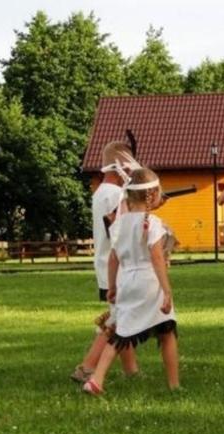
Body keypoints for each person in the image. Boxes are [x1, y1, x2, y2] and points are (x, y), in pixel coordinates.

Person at [83, 168, 179, 394]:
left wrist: (113, 286)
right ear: (153, 195)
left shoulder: (118, 224)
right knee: (167, 331)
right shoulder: (153, 223)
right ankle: (174, 385)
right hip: (148, 282)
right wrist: (166, 291)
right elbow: (156, 258)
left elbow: (113, 259)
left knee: (120, 333)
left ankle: (96, 379)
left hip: (126, 280)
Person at [70, 141, 141, 383]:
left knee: (120, 316)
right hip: (116, 266)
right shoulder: (115, 194)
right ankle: (88, 366)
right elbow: (122, 228)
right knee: (118, 320)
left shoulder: (103, 192)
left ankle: (132, 370)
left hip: (106, 264)